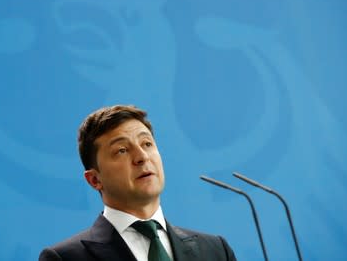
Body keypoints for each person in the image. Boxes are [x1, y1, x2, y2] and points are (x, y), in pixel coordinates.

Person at [39, 105, 236, 261]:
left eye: (147, 144)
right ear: (95, 180)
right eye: (122, 150)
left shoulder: (216, 251)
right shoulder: (64, 258)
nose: (142, 157)